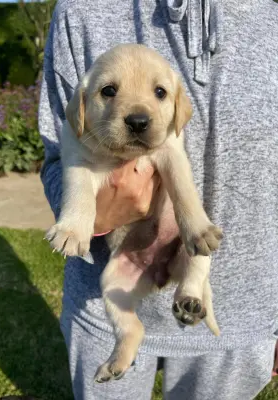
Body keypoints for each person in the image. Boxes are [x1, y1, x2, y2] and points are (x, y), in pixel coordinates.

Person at [38, 0, 278, 399]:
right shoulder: (79, 11)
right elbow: (64, 158)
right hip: (104, 300)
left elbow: (175, 167)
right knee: (115, 284)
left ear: (176, 108)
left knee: (197, 247)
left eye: (159, 94)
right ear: (82, 107)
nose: (136, 115)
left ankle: (192, 289)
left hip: (247, 311)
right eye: (108, 91)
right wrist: (85, 215)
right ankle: (129, 332)